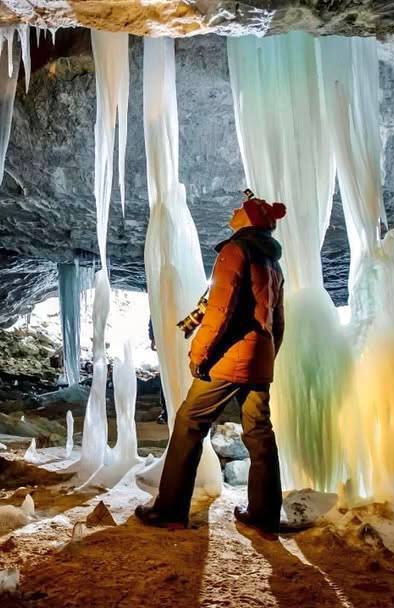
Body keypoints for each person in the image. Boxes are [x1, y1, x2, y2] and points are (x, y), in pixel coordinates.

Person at [136, 195, 287, 534]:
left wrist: (198, 354)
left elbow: (220, 311)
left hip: (229, 358)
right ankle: (265, 515)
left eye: (239, 209)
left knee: (189, 423)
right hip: (258, 360)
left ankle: (170, 509)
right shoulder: (272, 264)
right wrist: (264, 360)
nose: (233, 211)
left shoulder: (235, 251)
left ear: (247, 220)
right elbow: (278, 323)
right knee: (260, 434)